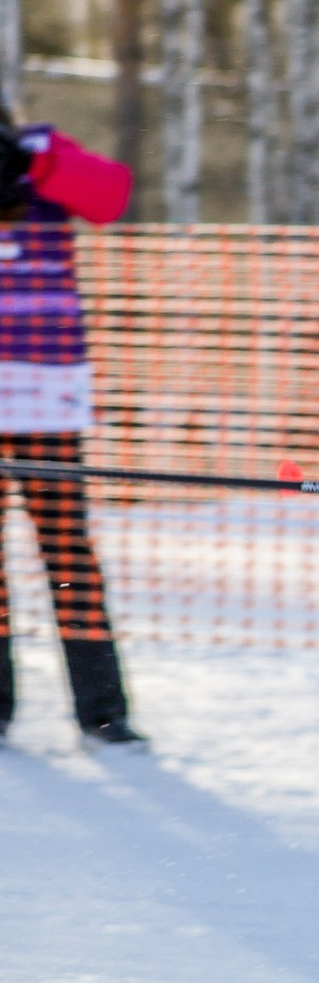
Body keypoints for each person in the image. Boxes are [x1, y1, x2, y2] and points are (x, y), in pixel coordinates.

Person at [0, 109, 141, 746]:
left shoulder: (44, 154)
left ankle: (102, 710)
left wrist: (35, 163)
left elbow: (110, 197)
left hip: (46, 402)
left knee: (67, 556)